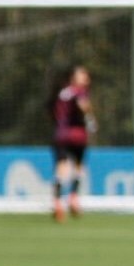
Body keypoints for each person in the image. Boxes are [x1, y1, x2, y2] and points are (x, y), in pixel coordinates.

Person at [50, 65, 94, 221]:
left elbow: (52, 110)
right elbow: (83, 105)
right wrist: (90, 118)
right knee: (78, 167)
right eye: (83, 74)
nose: (86, 77)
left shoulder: (62, 92)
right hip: (76, 134)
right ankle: (73, 198)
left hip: (60, 134)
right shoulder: (79, 92)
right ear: (74, 77)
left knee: (61, 168)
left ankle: (57, 202)